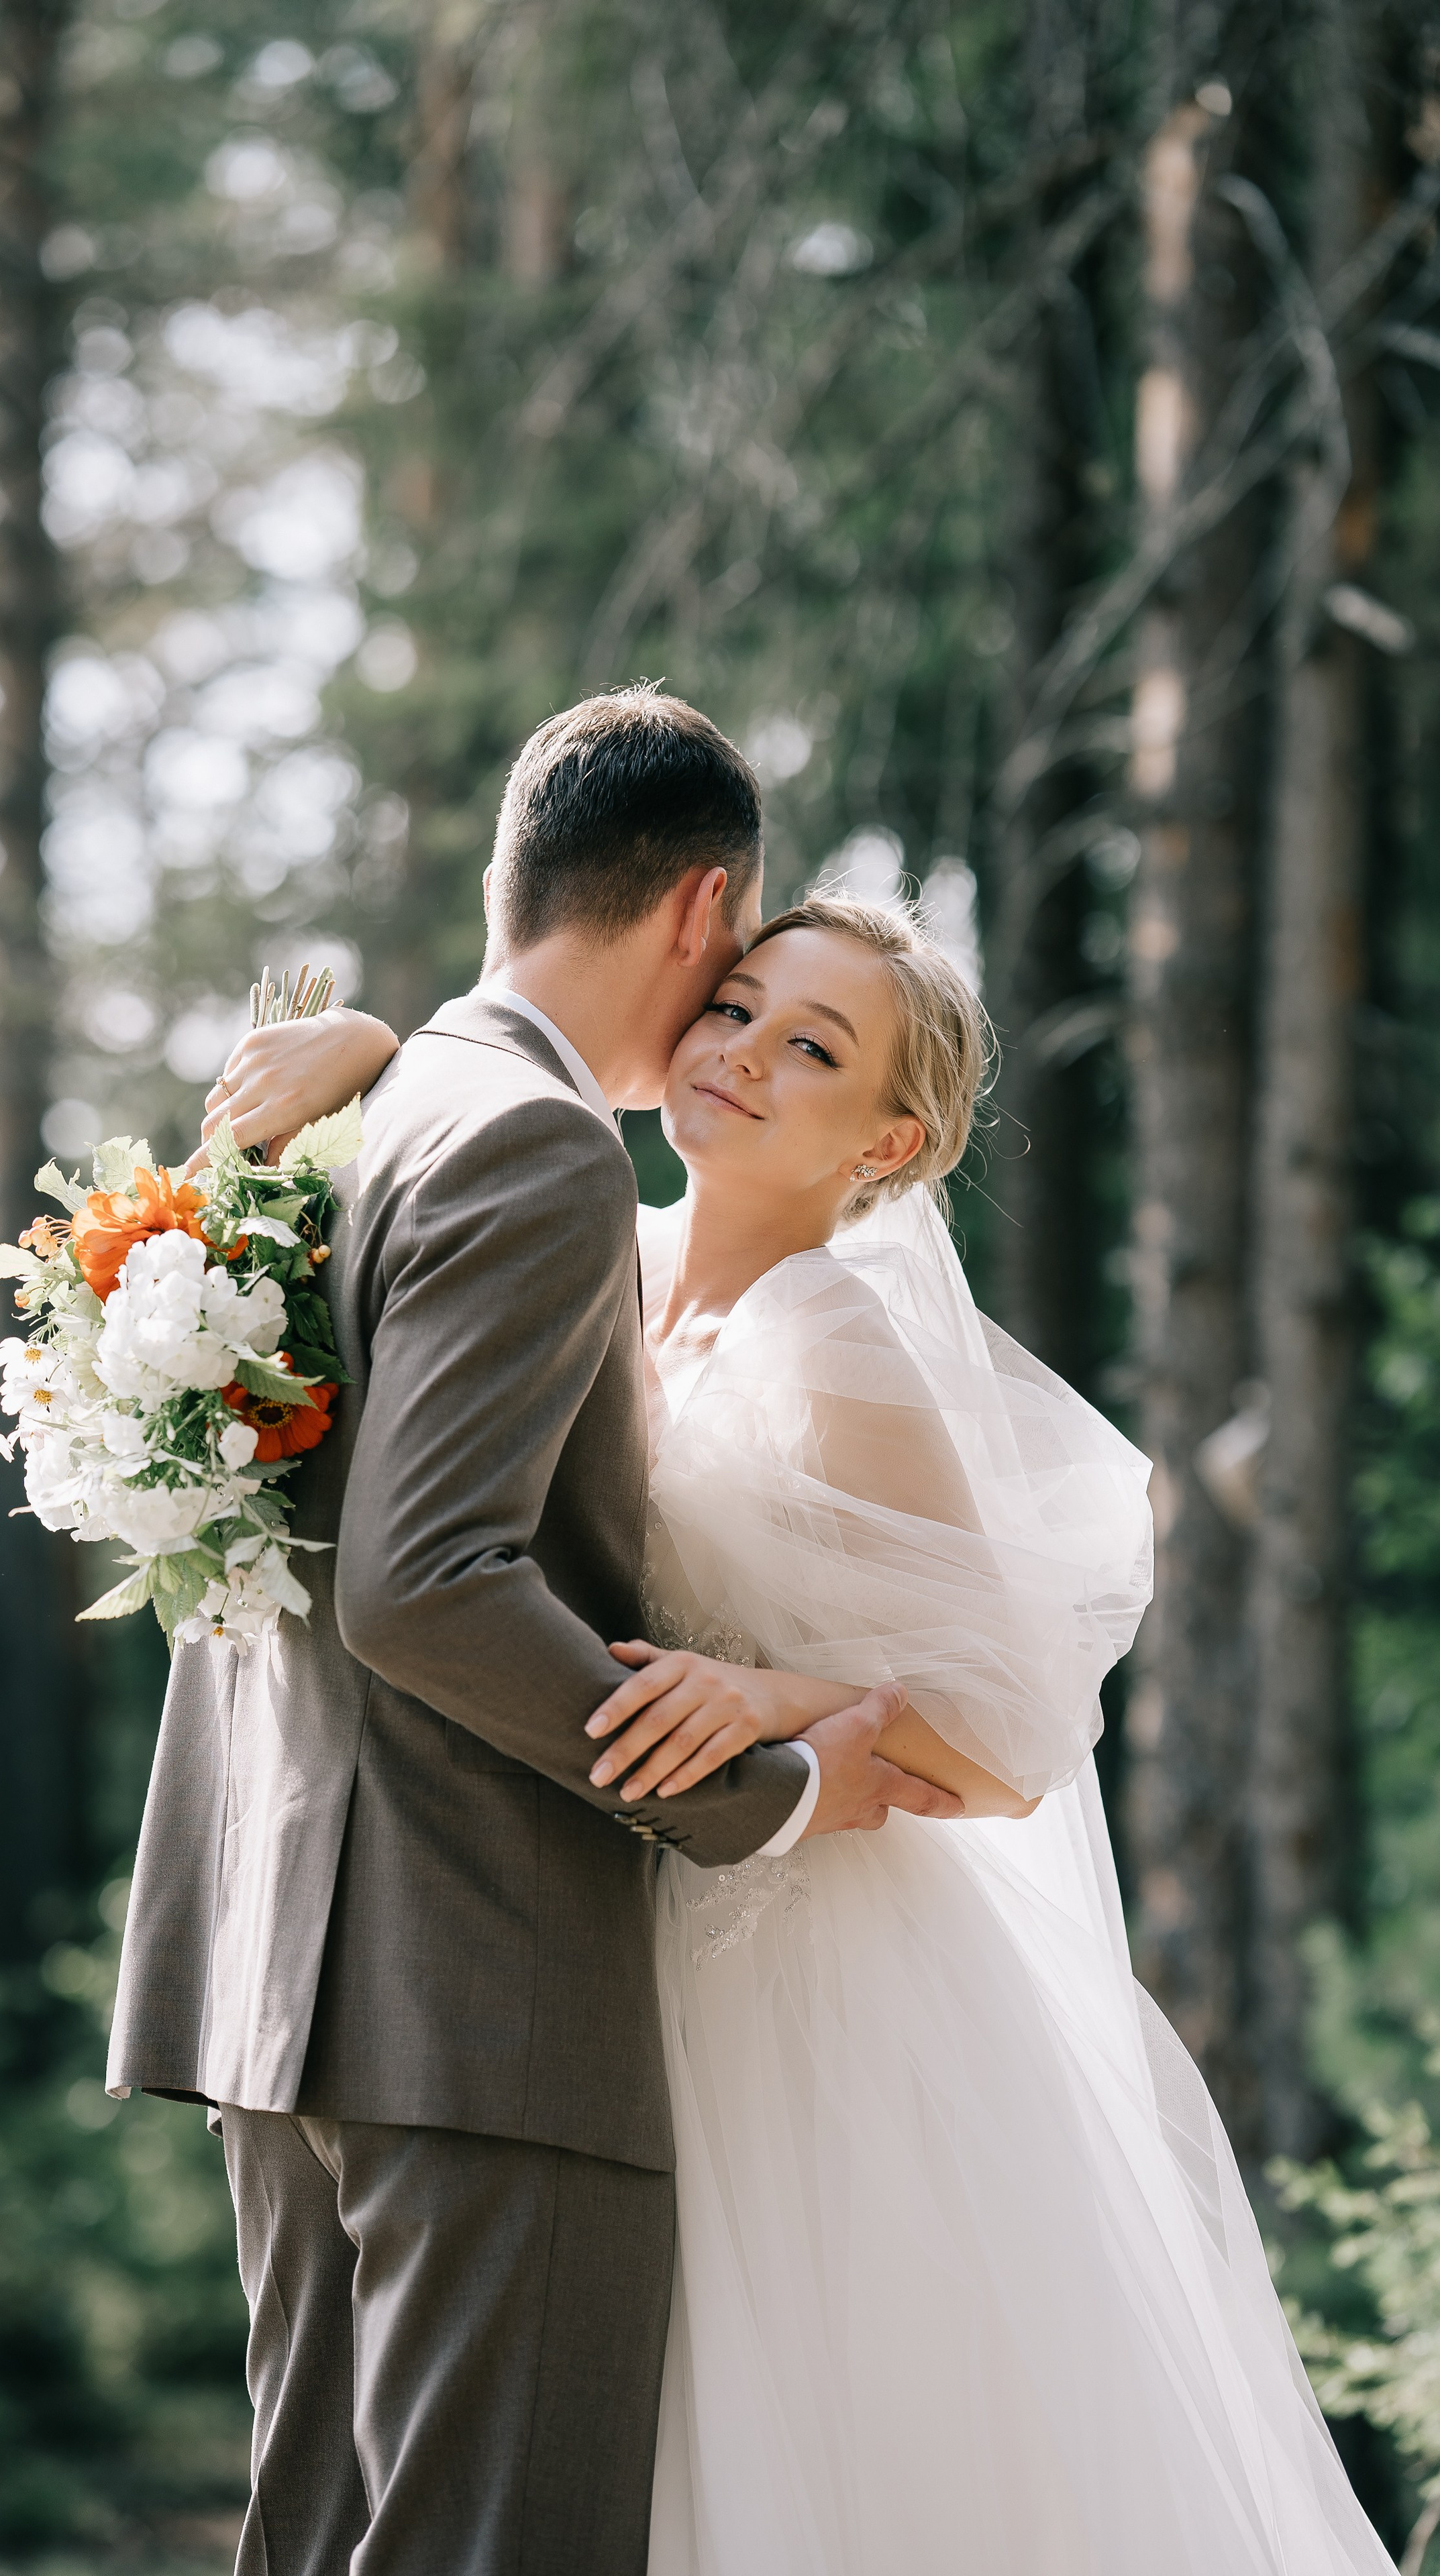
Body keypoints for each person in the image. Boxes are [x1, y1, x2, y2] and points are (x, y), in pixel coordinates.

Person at [237, 866, 1400, 2571]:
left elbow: (1011, 1737)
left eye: (810, 1049)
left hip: (810, 1975)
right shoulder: (604, 1255)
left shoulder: (834, 1344)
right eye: (733, 1008)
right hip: (604, 1930)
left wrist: (782, 1696)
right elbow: (479, 1145)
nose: (741, 1053)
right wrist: (365, 1042)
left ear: (884, 1147)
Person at [105, 686, 957, 2576]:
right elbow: (425, 1581)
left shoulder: (363, 1111)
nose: (728, 1029)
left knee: (323, 2543)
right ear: (693, 910)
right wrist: (759, 1791)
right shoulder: (541, 1147)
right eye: (736, 979)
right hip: (478, 1987)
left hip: (292, 1972)